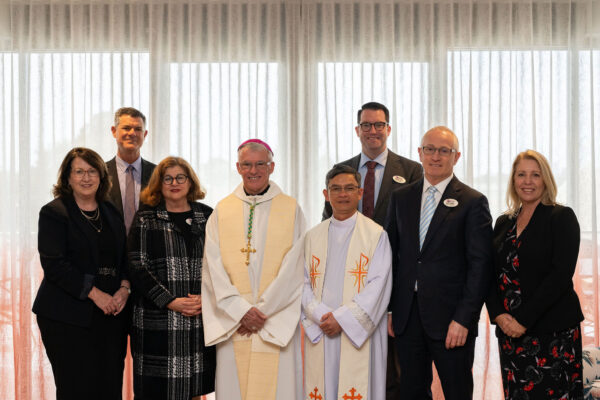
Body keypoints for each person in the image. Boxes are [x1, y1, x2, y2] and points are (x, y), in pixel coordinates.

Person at [385, 126, 493, 400]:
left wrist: (463, 319)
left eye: (444, 151)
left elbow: (480, 267)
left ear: (455, 157)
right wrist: (389, 310)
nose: (436, 156)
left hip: (451, 323)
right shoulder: (401, 198)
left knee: (457, 392)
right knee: (411, 392)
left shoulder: (473, 202)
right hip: (407, 319)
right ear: (419, 153)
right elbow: (390, 257)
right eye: (430, 149)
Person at [322, 102, 422, 397]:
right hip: (348, 285)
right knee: (351, 365)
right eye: (367, 125)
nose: (373, 131)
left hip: (395, 283)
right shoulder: (342, 171)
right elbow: (327, 227)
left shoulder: (412, 171)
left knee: (395, 367)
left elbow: (417, 231)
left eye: (379, 125)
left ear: (388, 129)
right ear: (358, 130)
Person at [202, 139, 305, 400]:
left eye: (260, 164)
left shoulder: (291, 208)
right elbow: (212, 267)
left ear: (272, 167)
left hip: (274, 321)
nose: (253, 170)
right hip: (236, 323)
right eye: (247, 164)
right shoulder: (222, 210)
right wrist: (241, 311)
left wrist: (263, 311)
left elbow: (296, 266)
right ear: (238, 167)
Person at [33, 147, 130, 400]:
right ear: (67, 177)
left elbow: (124, 258)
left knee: (109, 387)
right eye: (79, 172)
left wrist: (124, 288)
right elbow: (55, 265)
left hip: (111, 316)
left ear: (101, 176)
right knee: (76, 389)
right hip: (66, 316)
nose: (86, 178)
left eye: (92, 171)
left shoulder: (111, 212)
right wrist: (95, 294)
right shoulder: (54, 212)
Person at [486, 150, 584, 399]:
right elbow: (489, 274)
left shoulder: (561, 217)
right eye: (521, 175)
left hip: (552, 334)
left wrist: (523, 321)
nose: (527, 181)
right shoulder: (503, 222)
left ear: (545, 180)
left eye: (535, 175)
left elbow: (561, 276)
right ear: (513, 180)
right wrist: (499, 316)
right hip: (509, 335)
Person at [127, 156, 216, 400]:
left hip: (199, 315)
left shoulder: (208, 216)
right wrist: (170, 301)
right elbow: (137, 266)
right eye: (167, 178)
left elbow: (221, 264)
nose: (174, 183)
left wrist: (206, 297)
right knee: (156, 392)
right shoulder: (146, 218)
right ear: (159, 184)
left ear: (190, 182)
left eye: (180, 177)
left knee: (194, 390)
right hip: (157, 320)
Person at [303, 165, 392, 400]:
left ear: (360, 193)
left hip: (357, 332)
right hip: (322, 329)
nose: (343, 194)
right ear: (326, 194)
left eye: (349, 188)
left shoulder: (376, 235)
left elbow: (378, 286)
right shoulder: (312, 236)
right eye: (336, 189)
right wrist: (321, 316)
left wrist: (342, 319)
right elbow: (301, 283)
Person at [106, 107, 156, 234]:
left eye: (138, 129)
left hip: (149, 250)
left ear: (144, 135)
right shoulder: (99, 173)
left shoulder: (157, 174)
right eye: (126, 128)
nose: (132, 133)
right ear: (114, 131)